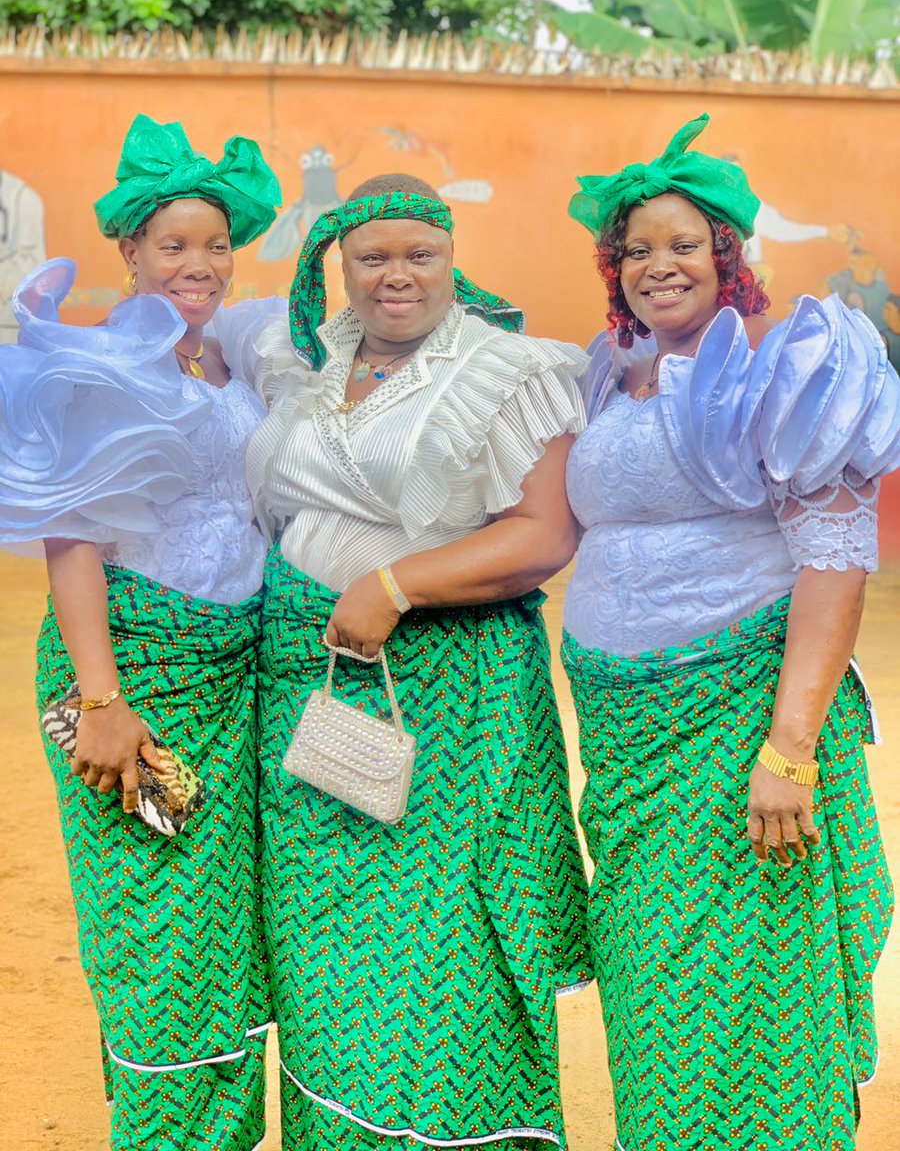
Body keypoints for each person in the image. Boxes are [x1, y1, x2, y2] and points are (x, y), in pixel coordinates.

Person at [561, 113, 899, 1151]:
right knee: (655, 993)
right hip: (624, 746)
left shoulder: (780, 374)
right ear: (614, 269)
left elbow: (837, 557)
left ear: (728, 256)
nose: (660, 265)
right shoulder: (605, 374)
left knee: (754, 998)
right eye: (637, 249)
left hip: (738, 729)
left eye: (684, 243)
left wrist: (789, 751)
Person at [244, 174, 592, 1148]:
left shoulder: (507, 368)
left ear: (450, 258)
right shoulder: (309, 358)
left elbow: (542, 532)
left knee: (440, 960)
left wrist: (395, 588)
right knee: (324, 968)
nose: (397, 276)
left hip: (448, 707)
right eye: (373, 257)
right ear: (339, 266)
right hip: (304, 704)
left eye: (419, 255)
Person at [0, 114, 284, 1150]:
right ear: (129, 251)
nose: (198, 264)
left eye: (215, 245)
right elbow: (69, 537)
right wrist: (103, 702)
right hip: (135, 681)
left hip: (238, 678)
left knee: (221, 933)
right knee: (160, 935)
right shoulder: (97, 366)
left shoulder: (230, 367)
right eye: (174, 245)